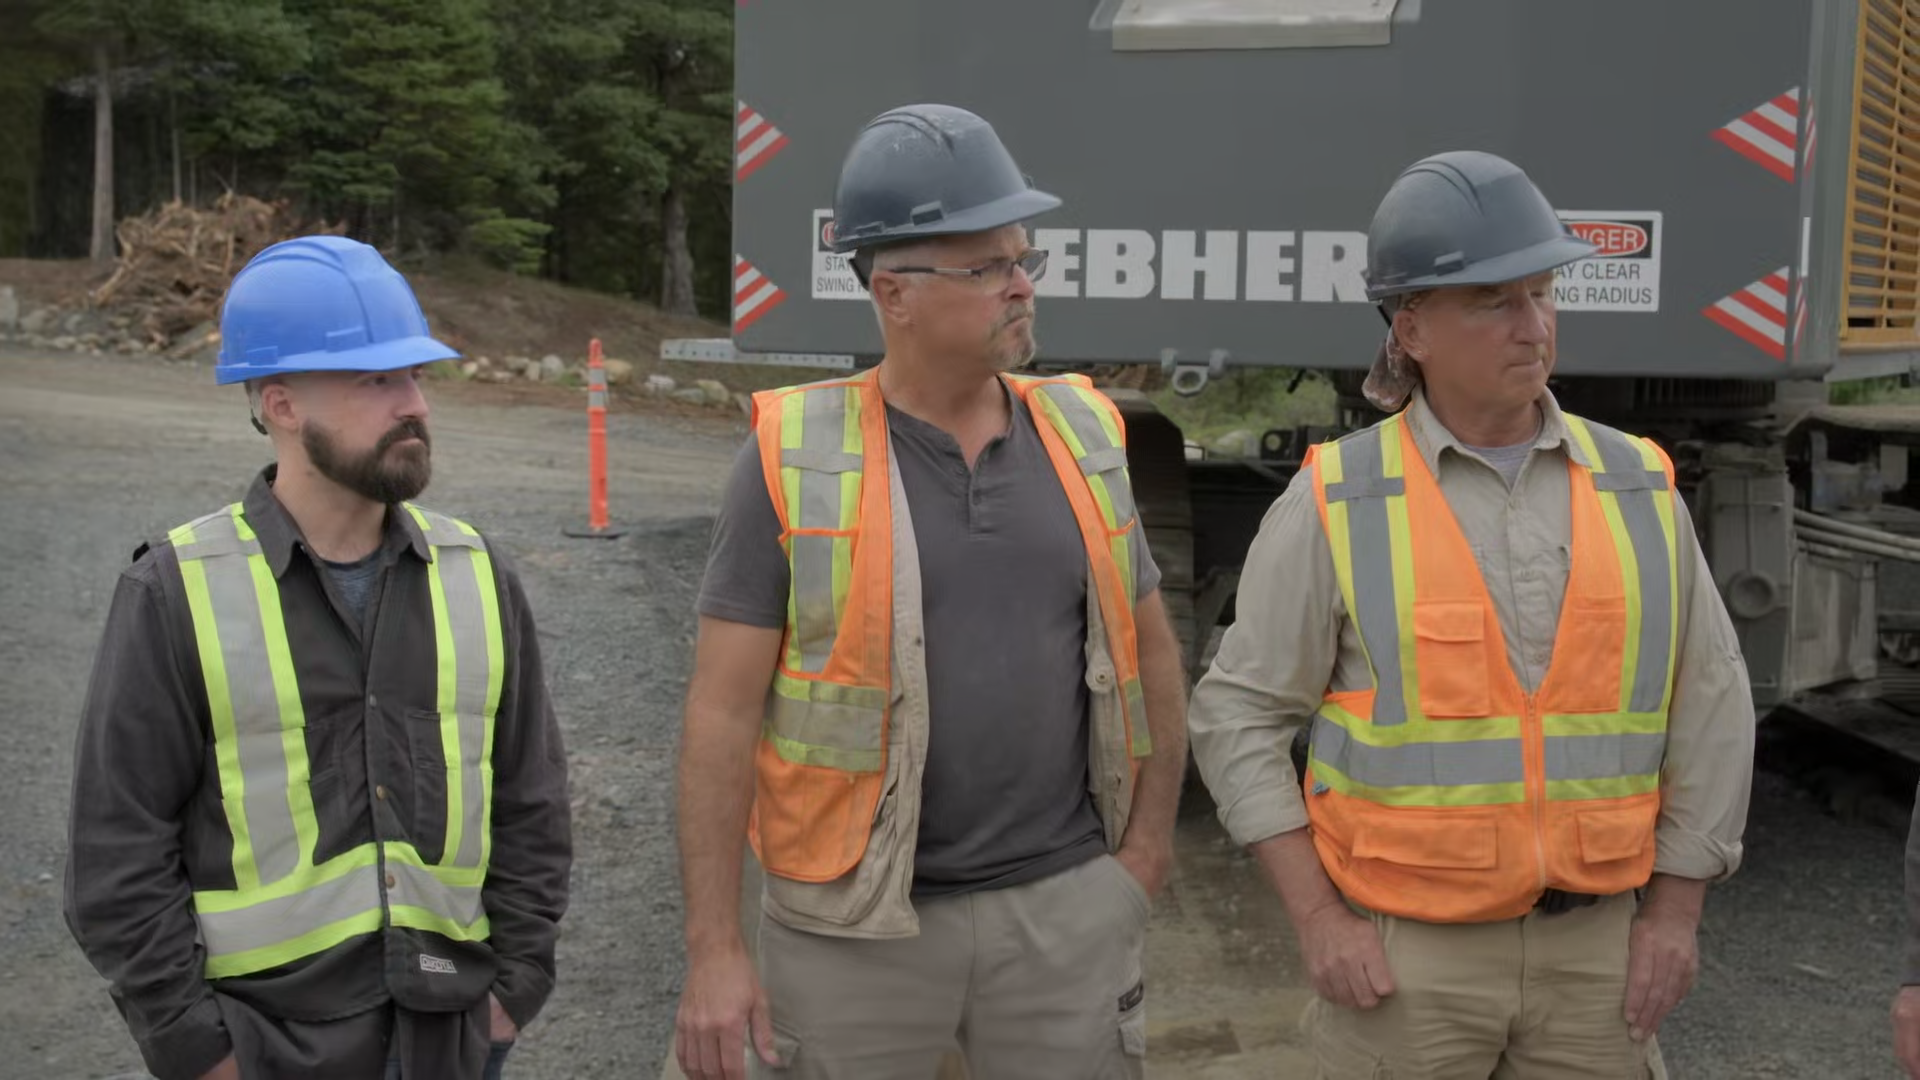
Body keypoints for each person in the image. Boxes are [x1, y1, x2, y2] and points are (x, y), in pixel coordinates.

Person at [1186, 150, 1755, 1078]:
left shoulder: (1638, 483)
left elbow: (1713, 706)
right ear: (1412, 329)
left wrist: (1676, 912)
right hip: (1406, 971)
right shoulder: (1340, 497)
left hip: (1599, 966)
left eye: (1543, 294)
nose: (1534, 325)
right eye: (1495, 302)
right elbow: (1238, 715)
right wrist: (1319, 918)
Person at [671, 103, 1189, 1080]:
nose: (1022, 284)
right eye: (987, 266)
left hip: (1063, 917)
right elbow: (721, 713)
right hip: (851, 938)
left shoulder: (1085, 434)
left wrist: (1143, 856)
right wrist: (715, 949)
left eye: (1023, 258)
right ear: (894, 293)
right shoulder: (793, 457)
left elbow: (1151, 651)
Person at [63, 235, 572, 1080]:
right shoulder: (175, 590)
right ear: (282, 404)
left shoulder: (478, 574)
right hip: (264, 1047)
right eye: (376, 381)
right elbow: (116, 852)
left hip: (450, 1039)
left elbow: (533, 802)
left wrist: (512, 991)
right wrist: (198, 1049)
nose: (415, 405)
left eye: (416, 376)